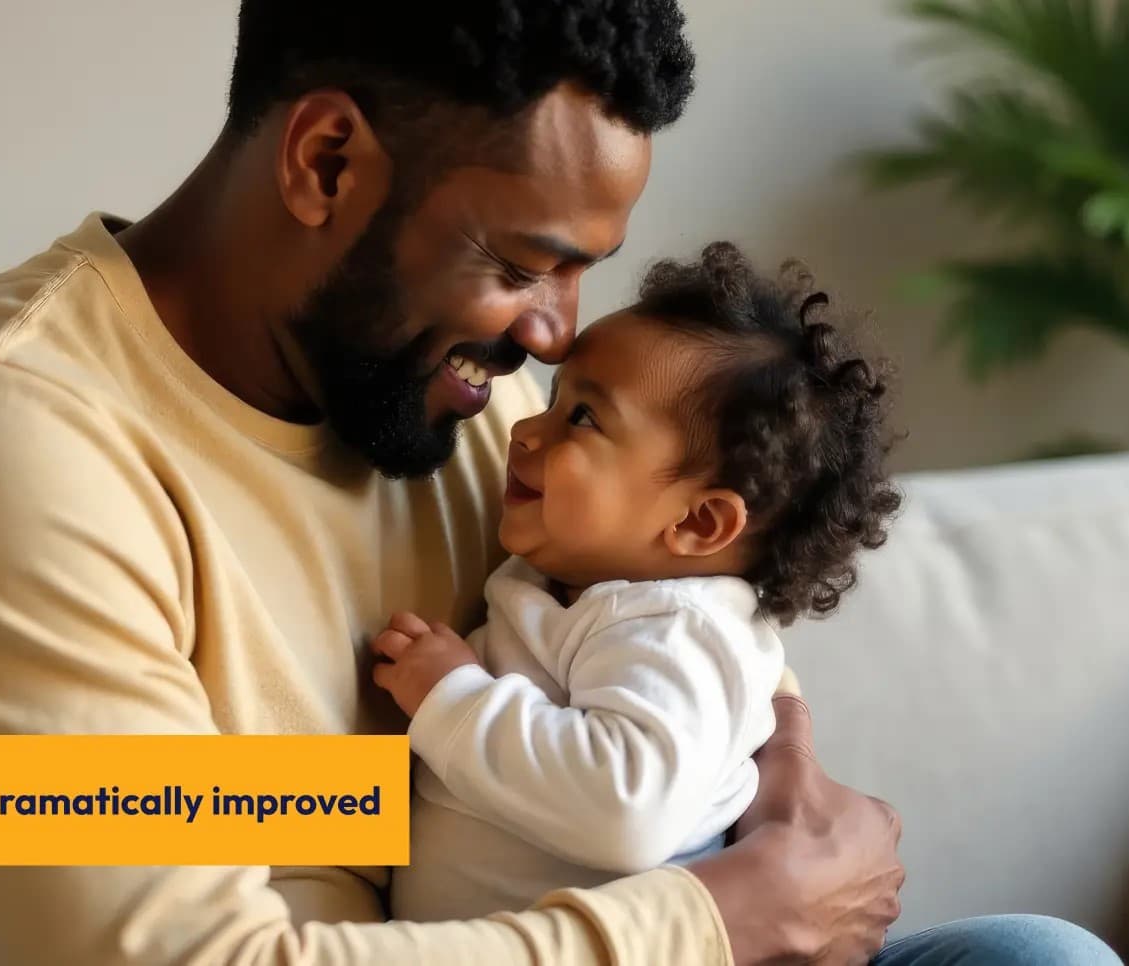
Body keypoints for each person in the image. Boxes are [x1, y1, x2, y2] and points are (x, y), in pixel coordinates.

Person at [0, 2, 1117, 963]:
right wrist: (717, 920)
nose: (553, 333)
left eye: (583, 269)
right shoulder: (1, 445)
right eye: (523, 263)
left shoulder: (478, 403)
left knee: (1035, 958)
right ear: (326, 162)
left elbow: (732, 712)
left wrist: (786, 848)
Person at [374, 244, 897, 922]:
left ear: (702, 522)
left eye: (580, 418)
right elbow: (206, 810)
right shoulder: (584, 577)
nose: (526, 428)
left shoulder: (670, 623)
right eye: (517, 259)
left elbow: (628, 808)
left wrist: (453, 698)